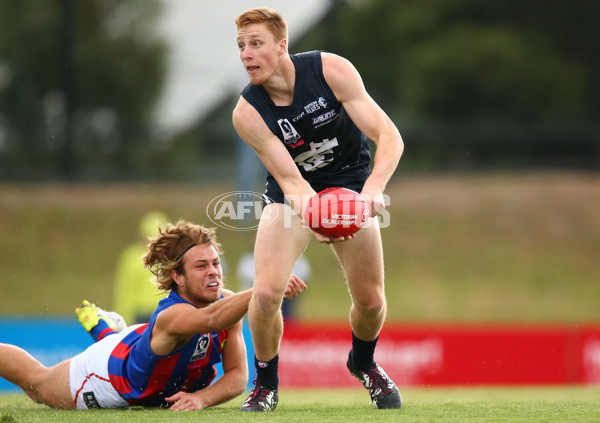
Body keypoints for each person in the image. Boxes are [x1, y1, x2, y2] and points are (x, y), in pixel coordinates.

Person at [233, 7, 404, 412]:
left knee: (372, 302)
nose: (246, 54)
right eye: (241, 46)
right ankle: (266, 384)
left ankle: (363, 363)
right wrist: (317, 216)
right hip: (292, 195)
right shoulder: (247, 113)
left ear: (282, 45)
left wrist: (373, 191)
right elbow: (292, 181)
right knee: (267, 292)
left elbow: (388, 136)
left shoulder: (332, 71)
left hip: (350, 186)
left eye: (256, 44)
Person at [0, 220, 306, 410]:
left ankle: (108, 330)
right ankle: (107, 334)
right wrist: (265, 287)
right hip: (108, 375)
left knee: (146, 349)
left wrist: (201, 399)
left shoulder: (229, 305)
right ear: (178, 277)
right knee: (37, 386)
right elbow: (211, 320)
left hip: (144, 348)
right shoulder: (174, 315)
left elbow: (238, 377)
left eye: (215, 263)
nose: (214, 272)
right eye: (201, 266)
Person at [112, 211, 170, 324]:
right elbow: (125, 289)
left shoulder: (132, 256)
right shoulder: (170, 256)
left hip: (155, 311)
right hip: (154, 311)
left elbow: (125, 289)